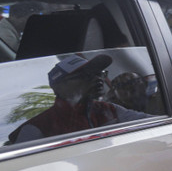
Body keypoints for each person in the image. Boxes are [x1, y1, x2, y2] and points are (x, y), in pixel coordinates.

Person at [9, 54, 150, 144]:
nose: (97, 79)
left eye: (99, 73)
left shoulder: (108, 109)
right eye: (86, 75)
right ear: (59, 87)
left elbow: (151, 121)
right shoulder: (37, 127)